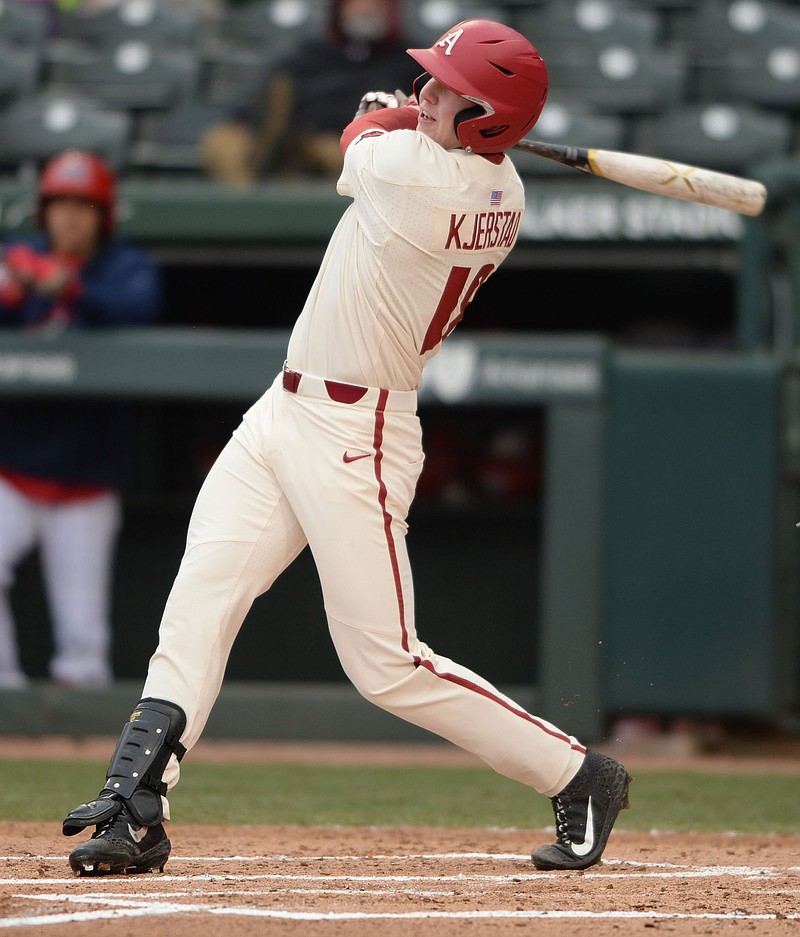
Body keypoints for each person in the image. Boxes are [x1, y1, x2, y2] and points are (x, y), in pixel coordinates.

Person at [61, 19, 631, 876]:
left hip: (356, 434)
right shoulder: (501, 187)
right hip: (283, 410)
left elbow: (361, 141)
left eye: (447, 88)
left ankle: (579, 772)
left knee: (386, 663)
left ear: (489, 121)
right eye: (430, 81)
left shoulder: (418, 180)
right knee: (200, 597)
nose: (428, 91)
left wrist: (385, 113)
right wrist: (423, 115)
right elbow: (407, 134)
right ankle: (136, 801)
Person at [0, 149, 162, 689]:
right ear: (43, 211)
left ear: (103, 215)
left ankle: (76, 743)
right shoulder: (16, 258)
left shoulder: (126, 268)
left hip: (86, 481)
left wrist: (69, 287)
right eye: (60, 205)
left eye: (83, 206)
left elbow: (137, 308)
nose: (69, 217)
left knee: (83, 640)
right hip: (14, 471)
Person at [200, 0, 421, 184]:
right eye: (355, 2)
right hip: (289, 143)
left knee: (336, 153)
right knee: (224, 142)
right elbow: (265, 102)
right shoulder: (307, 55)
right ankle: (247, 212)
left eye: (375, 3)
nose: (365, 9)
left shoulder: (410, 61)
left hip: (359, 147)